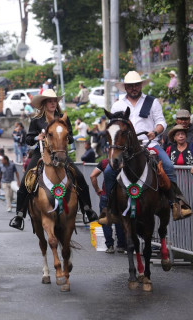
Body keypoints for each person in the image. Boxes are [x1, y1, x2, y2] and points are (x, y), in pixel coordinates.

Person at [103, 70, 192, 222]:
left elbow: (161, 122)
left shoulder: (152, 102)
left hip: (149, 143)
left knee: (169, 167)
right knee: (109, 172)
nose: (134, 88)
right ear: (125, 87)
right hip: (125, 147)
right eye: (130, 86)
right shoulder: (118, 104)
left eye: (136, 85)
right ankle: (110, 209)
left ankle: (176, 203)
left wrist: (155, 131)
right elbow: (113, 127)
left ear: (140, 85)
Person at [10, 89, 98, 230]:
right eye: (50, 101)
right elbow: (27, 139)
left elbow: (69, 139)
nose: (52, 103)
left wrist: (65, 136)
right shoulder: (36, 120)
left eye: (54, 101)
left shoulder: (63, 117)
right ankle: (19, 215)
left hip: (60, 153)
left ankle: (87, 209)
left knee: (80, 177)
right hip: (41, 154)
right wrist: (36, 137)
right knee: (26, 181)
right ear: (44, 103)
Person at [90, 159, 127, 253]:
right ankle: (121, 245)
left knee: (106, 219)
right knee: (120, 218)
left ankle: (110, 245)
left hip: (106, 195)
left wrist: (98, 189)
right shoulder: (125, 162)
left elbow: (92, 176)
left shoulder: (104, 162)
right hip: (122, 196)